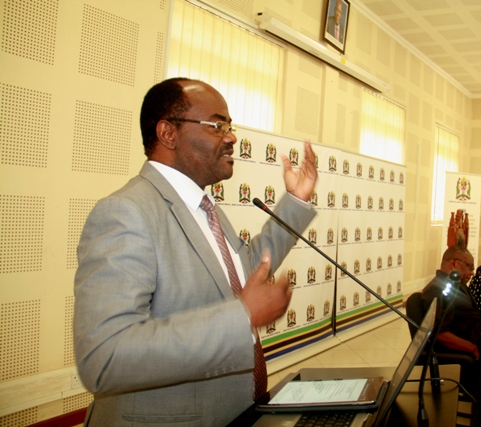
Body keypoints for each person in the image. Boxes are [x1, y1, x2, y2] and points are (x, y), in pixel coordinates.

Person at [73, 78, 318, 426]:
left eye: (230, 127)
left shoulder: (205, 207)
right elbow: (105, 357)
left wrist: (295, 202)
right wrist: (242, 316)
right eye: (218, 126)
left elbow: (246, 272)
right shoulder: (125, 212)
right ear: (168, 133)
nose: (232, 138)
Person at [421, 246, 481, 360]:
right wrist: (472, 348)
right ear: (454, 264)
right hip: (469, 348)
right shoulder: (438, 288)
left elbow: (469, 313)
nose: (472, 272)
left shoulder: (458, 284)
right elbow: (439, 333)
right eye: (469, 266)